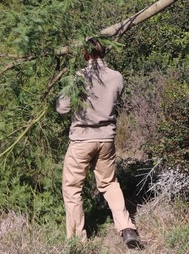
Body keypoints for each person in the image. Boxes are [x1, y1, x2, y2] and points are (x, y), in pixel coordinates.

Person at [56, 38, 139, 247]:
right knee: (109, 183)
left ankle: (77, 240)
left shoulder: (78, 78)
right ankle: (127, 228)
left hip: (81, 140)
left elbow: (62, 108)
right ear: (103, 52)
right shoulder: (117, 77)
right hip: (106, 139)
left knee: (72, 188)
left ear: (85, 54)